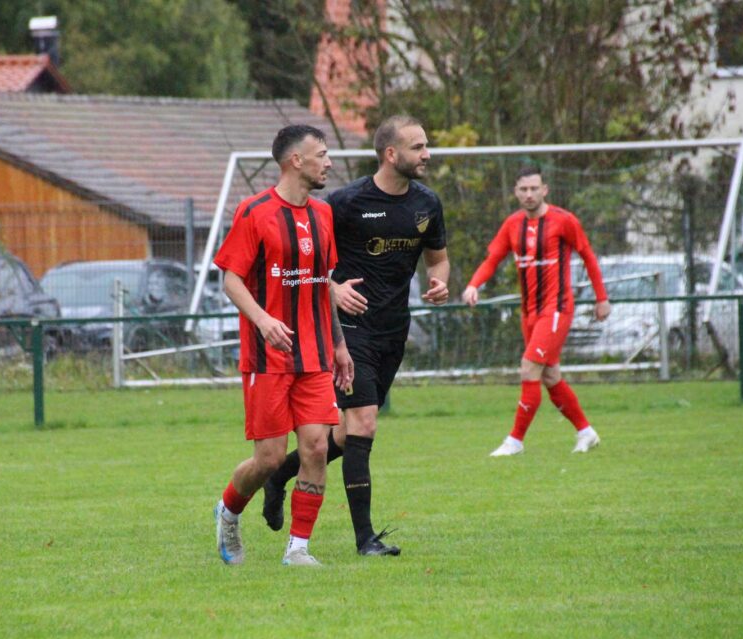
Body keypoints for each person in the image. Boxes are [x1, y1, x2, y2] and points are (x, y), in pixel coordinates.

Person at [261, 115, 450, 556]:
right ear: (390, 154)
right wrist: (334, 289)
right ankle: (365, 539)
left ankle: (279, 476)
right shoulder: (344, 204)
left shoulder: (427, 203)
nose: (427, 154)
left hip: (392, 329)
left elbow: (438, 259)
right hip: (347, 332)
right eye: (418, 147)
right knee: (364, 423)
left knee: (348, 437)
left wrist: (440, 281)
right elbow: (309, 264)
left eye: (426, 145)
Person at [212, 124, 354, 567]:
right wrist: (262, 318)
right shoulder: (254, 212)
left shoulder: (324, 214)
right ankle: (229, 511)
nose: (329, 162)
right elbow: (230, 277)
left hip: (314, 355)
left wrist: (340, 345)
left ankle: (298, 548)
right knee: (270, 459)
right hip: (267, 357)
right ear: (297, 161)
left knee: (316, 447)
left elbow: (321, 284)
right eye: (323, 154)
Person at [461, 164, 610, 457]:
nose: (529, 194)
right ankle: (586, 432)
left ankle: (515, 441)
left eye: (534, 189)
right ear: (516, 192)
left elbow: (588, 257)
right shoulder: (512, 224)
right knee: (550, 376)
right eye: (523, 189)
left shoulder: (563, 221)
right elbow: (493, 259)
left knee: (529, 367)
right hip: (529, 311)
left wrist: (601, 298)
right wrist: (474, 284)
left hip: (556, 309)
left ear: (545, 190)